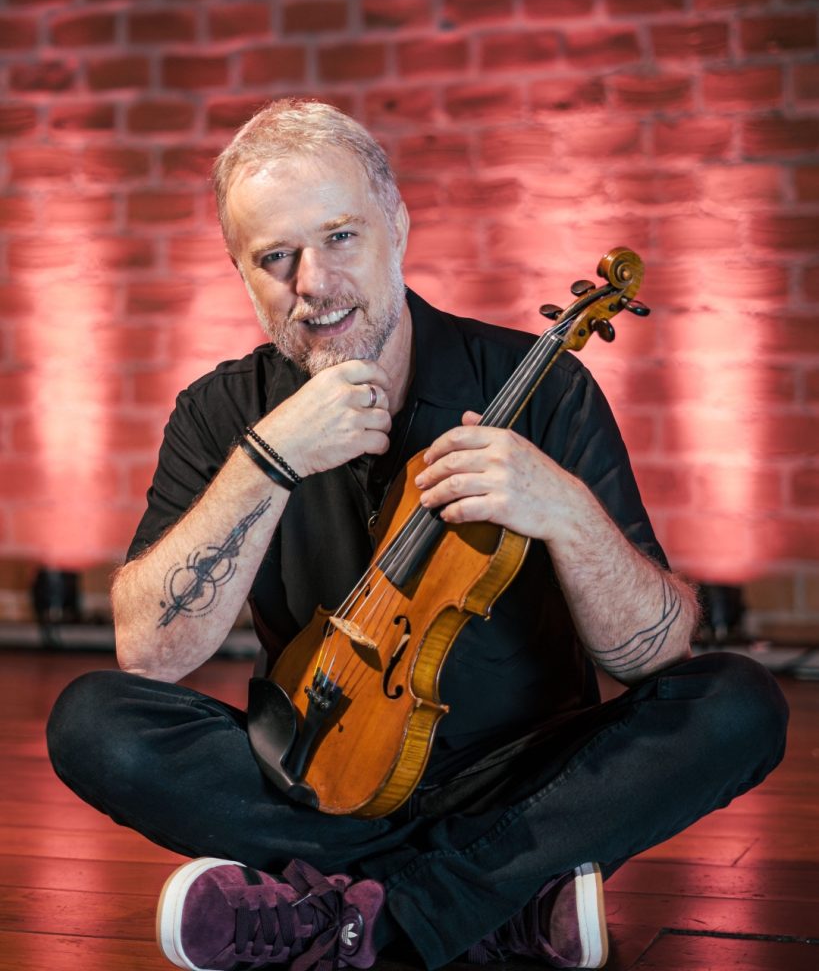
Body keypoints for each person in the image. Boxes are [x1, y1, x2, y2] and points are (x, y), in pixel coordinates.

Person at [46, 100, 788, 971]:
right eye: (275, 257)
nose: (312, 283)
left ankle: (334, 908)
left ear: (396, 225)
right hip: (319, 769)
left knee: (738, 703)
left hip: (524, 778)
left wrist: (565, 513)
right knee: (92, 721)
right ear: (239, 270)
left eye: (340, 237)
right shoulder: (222, 413)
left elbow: (654, 655)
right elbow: (150, 654)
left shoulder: (541, 386)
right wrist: (269, 461)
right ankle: (494, 900)